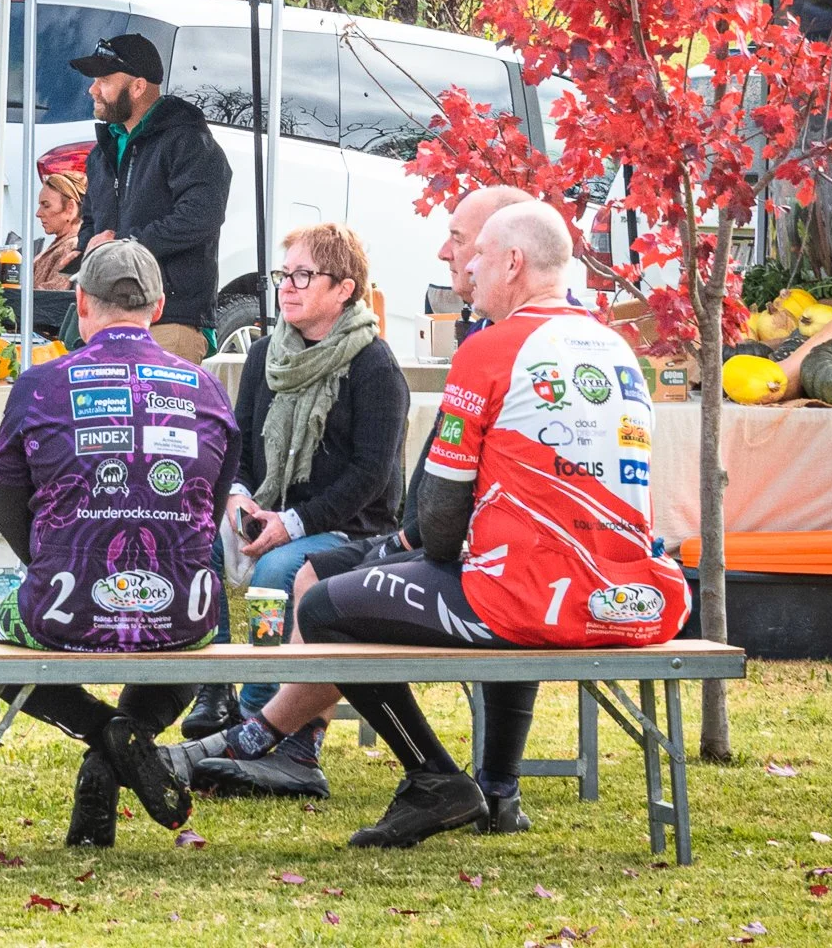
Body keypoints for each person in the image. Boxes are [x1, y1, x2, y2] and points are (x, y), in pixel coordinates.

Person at [191, 202, 690, 849]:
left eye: (476, 252)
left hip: (532, 601)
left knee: (324, 607)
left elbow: (440, 510)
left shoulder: (492, 349)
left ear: (512, 262)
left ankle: (433, 776)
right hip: (633, 600)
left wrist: (439, 555)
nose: (465, 266)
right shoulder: (619, 350)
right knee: (502, 580)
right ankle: (498, 790)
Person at [0, 239, 239, 848]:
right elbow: (207, 512)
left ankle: (106, 738)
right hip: (184, 612)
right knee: (203, 628)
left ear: (81, 303)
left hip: (61, 608)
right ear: (157, 307)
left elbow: (7, 512)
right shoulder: (205, 388)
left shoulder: (40, 385)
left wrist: (57, 563)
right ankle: (131, 734)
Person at [181, 223, 407, 783]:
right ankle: (215, 692)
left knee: (283, 567)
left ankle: (260, 719)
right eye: (286, 274)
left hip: (352, 527)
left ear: (344, 289)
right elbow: (240, 445)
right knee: (201, 541)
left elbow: (371, 479)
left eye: (305, 275)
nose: (289, 286)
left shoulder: (374, 366)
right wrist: (237, 498)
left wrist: (293, 522)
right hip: (270, 511)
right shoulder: (265, 355)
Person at [68, 32, 232, 361]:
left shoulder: (189, 143)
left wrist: (122, 246)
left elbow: (197, 219)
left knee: (156, 415)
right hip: (105, 319)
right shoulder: (103, 151)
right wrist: (91, 245)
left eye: (103, 80)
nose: (93, 89)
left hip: (171, 320)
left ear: (139, 87)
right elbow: (89, 220)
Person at [29, 169, 86, 289]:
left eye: (46, 205)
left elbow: (54, 294)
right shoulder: (62, 242)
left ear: (70, 208)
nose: (38, 213)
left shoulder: (72, 246)